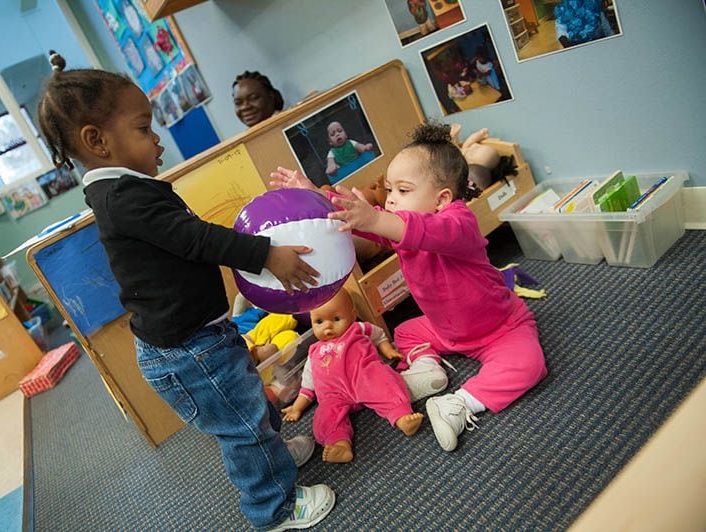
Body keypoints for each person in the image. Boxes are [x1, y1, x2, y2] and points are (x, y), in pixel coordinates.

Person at [36, 52, 335, 531]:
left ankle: (274, 463)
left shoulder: (127, 192)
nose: (157, 139)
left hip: (201, 338)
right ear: (98, 141)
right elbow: (197, 240)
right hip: (188, 352)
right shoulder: (124, 199)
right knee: (242, 425)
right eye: (142, 129)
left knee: (252, 408)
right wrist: (266, 254)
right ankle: (273, 509)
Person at [270, 121, 547, 452]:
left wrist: (375, 220)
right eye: (388, 190)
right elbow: (366, 220)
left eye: (403, 191)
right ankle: (427, 370)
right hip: (446, 330)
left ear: (443, 199)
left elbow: (414, 228)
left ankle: (459, 404)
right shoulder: (399, 227)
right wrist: (315, 194)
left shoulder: (459, 223)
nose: (390, 201)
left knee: (529, 363)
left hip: (500, 326)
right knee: (404, 332)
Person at [281, 288, 423, 463]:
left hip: (364, 378)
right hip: (334, 395)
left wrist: (388, 350)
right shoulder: (313, 352)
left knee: (384, 380)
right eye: (319, 322)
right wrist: (297, 408)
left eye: (336, 319)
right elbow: (308, 386)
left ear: (352, 314)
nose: (327, 326)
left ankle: (401, 416)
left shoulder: (357, 328)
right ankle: (339, 444)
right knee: (324, 415)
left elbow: (379, 336)